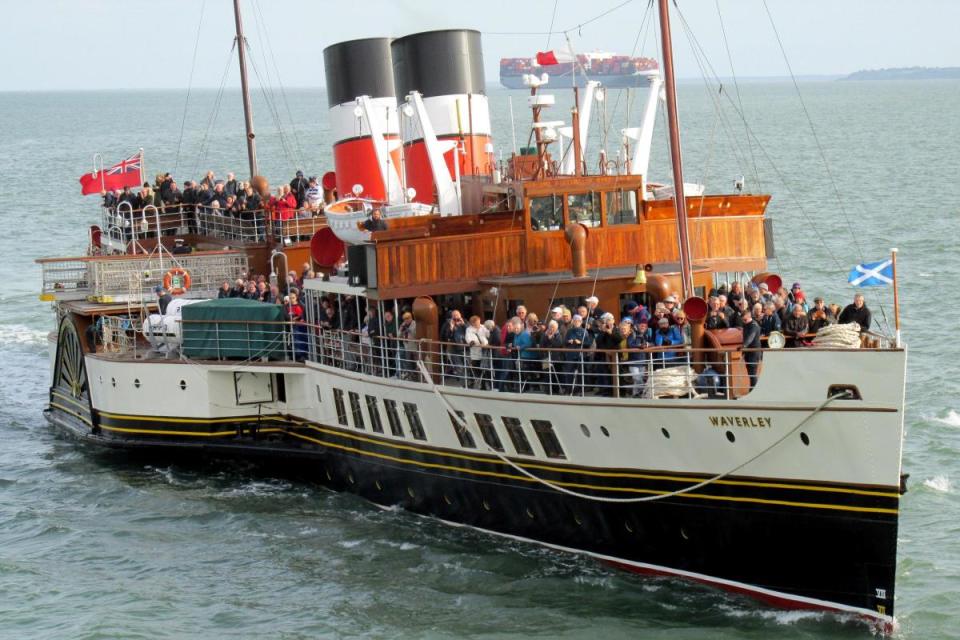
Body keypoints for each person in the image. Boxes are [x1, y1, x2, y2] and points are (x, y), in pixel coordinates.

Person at [465, 315, 489, 389]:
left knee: (484, 368)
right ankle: (475, 382)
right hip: (475, 352)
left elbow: (488, 335)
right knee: (476, 368)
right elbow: (468, 339)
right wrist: (472, 342)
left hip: (484, 351)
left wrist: (488, 330)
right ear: (472, 323)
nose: (478, 324)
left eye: (479, 322)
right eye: (476, 323)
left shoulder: (483, 327)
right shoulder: (469, 330)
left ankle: (483, 385)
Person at [741, 309, 762, 389]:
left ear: (749, 317)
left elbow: (751, 337)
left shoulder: (754, 325)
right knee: (750, 373)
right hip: (748, 352)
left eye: (745, 319)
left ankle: (753, 390)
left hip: (754, 352)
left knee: (753, 373)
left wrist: (744, 345)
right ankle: (752, 389)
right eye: (742, 320)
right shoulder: (746, 324)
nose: (743, 321)